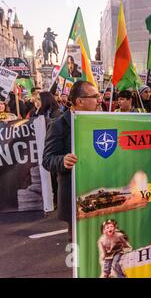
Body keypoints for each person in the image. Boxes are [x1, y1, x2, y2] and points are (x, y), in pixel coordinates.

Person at [43, 81, 100, 241]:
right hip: (75, 197)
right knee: (79, 247)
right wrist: (63, 160)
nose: (99, 100)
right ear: (80, 101)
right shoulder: (59, 125)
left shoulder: (100, 121)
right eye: (94, 96)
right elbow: (47, 159)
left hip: (99, 193)